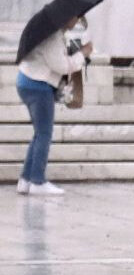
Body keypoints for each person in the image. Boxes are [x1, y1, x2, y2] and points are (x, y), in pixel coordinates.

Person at [15, 17, 93, 196]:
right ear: (69, 17)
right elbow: (62, 67)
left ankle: (25, 180)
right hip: (37, 86)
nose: (78, 21)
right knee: (44, 134)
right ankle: (37, 181)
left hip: (28, 81)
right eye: (77, 18)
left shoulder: (53, 33)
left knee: (39, 133)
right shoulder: (52, 37)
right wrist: (83, 53)